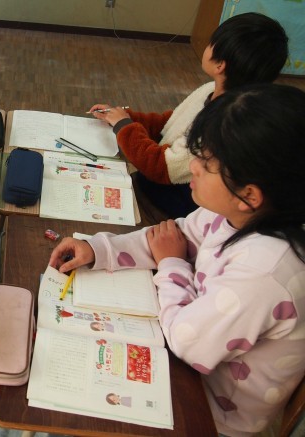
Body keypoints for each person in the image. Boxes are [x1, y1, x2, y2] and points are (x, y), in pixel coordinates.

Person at [50, 84, 305, 436]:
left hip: (205, 414)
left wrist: (172, 264)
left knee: (59, 399)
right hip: (183, 359)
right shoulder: (234, 213)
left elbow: (187, 343)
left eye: (207, 163)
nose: (193, 167)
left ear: (249, 195)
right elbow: (173, 236)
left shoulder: (266, 273)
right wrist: (99, 249)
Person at [89, 12, 288, 219]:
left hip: (166, 205)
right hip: (149, 182)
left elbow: (160, 167)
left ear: (220, 65)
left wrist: (124, 125)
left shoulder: (225, 124)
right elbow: (170, 123)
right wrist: (125, 117)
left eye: (211, 43)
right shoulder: (210, 89)